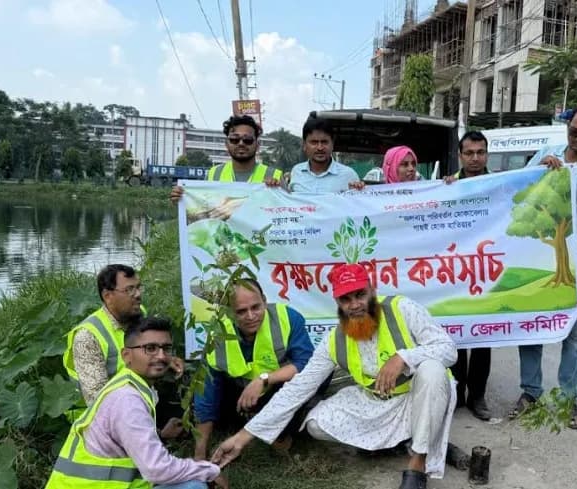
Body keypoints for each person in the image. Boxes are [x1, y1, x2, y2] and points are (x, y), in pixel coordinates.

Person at [211, 264, 457, 489]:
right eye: (345, 299)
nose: (355, 305)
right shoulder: (334, 340)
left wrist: (403, 357)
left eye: (360, 295)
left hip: (422, 396)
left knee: (432, 369)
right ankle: (395, 442)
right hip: (380, 403)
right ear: (337, 301)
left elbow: (448, 349)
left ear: (372, 290)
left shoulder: (402, 308)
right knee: (317, 423)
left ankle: (418, 461)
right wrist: (243, 437)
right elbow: (298, 388)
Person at [508, 104, 577, 429]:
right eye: (574, 131)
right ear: (567, 128)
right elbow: (518, 194)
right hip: (539, 261)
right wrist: (539, 170)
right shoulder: (547, 154)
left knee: (575, 337)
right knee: (531, 330)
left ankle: (569, 400)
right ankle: (530, 392)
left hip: (575, 267)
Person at [45, 317, 227, 489]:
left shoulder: (129, 385)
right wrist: (208, 471)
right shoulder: (128, 399)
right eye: (150, 348)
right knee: (195, 486)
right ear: (126, 355)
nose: (162, 356)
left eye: (166, 348)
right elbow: (157, 469)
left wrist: (160, 436)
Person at [192, 279, 315, 460]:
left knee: (310, 385)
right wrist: (199, 454)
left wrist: (264, 379)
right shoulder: (218, 333)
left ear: (264, 301)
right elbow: (206, 392)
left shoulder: (288, 319)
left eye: (256, 307)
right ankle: (244, 422)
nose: (250, 316)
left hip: (278, 390)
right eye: (241, 311)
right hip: (240, 394)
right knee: (200, 393)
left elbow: (307, 363)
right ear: (229, 312)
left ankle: (282, 436)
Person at [64, 264, 184, 407]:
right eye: (130, 290)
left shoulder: (139, 313)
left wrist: (166, 359)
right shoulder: (88, 336)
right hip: (106, 421)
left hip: (140, 402)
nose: (138, 295)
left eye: (138, 287)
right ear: (108, 296)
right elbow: (98, 401)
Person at [443, 131, 493, 421]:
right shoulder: (449, 185)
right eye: (469, 152)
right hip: (455, 270)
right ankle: (456, 392)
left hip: (487, 269)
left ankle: (478, 396)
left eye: (480, 152)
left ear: (487, 154)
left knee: (484, 336)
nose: (475, 158)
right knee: (455, 334)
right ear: (460, 156)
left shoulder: (500, 183)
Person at [169, 115, 280, 203]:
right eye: (234, 139)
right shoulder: (213, 175)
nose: (241, 144)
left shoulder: (275, 177)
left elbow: (289, 212)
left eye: (247, 140)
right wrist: (182, 199)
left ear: (258, 144)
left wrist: (280, 191)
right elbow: (202, 207)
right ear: (226, 144)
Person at [286, 117, 362, 193]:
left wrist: (358, 192)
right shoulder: (296, 171)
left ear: (332, 144)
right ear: (304, 145)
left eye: (324, 142)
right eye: (314, 142)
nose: (320, 148)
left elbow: (357, 202)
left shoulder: (349, 175)